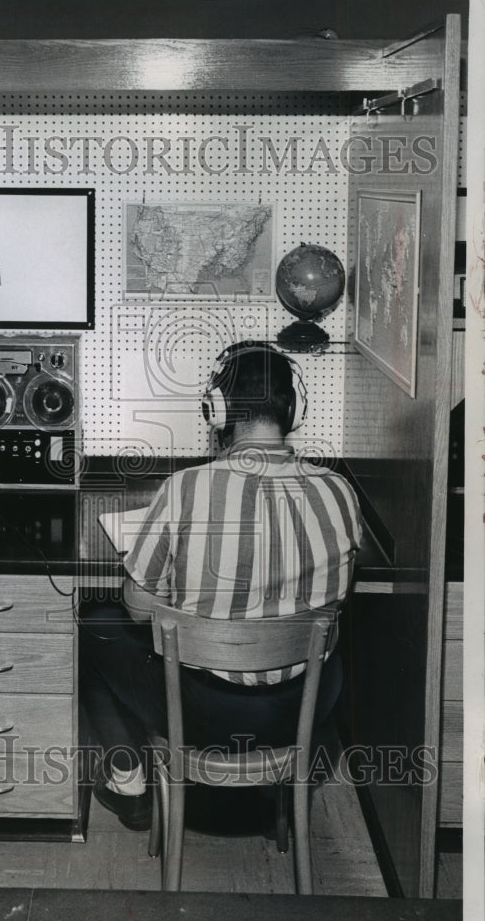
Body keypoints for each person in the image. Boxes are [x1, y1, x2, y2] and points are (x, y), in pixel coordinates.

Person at [78, 340, 363, 830]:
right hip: (301, 706)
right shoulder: (340, 493)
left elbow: (139, 608)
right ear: (291, 411)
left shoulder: (186, 488)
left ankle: (130, 783)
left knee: (97, 623)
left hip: (205, 713)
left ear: (217, 411)